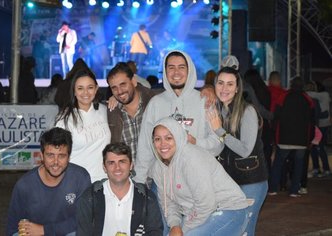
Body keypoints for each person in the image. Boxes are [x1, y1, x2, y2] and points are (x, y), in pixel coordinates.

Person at [150, 117, 249, 235]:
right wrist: (174, 225)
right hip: (200, 215)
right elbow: (169, 203)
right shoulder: (158, 168)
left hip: (230, 210)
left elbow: (206, 204)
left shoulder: (191, 158)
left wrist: (183, 229)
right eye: (157, 139)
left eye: (169, 138)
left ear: (178, 137)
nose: (162, 144)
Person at [134, 51, 221, 185]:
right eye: (171, 67)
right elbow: (145, 146)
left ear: (189, 70)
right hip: (164, 184)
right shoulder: (155, 103)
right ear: (165, 71)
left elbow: (218, 143)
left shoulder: (205, 101)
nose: (176, 72)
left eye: (181, 67)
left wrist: (196, 142)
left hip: (198, 181)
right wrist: (139, 181)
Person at [206, 62, 269, 236]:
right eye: (220, 83)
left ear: (237, 88)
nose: (224, 88)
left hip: (251, 181)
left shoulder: (247, 111)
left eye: (230, 84)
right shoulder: (217, 111)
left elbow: (245, 150)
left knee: (243, 230)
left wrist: (220, 131)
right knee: (232, 228)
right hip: (229, 182)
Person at [6, 127, 91, 236]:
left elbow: (85, 220)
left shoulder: (81, 178)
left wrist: (45, 230)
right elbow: (13, 227)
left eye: (61, 156)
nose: (56, 162)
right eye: (50, 155)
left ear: (69, 157)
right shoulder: (24, 185)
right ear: (41, 156)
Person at [76, 142, 163, 235]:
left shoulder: (147, 198)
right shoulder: (90, 198)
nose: (117, 168)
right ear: (104, 167)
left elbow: (155, 232)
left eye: (122, 162)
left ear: (131, 165)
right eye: (111, 163)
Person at [54, 70, 111, 183]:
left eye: (90, 87)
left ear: (96, 88)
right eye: (80, 88)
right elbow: (58, 153)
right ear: (74, 91)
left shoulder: (105, 111)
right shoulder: (64, 119)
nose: (85, 92)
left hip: (104, 181)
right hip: (76, 182)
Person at [269, 77, 315, 197]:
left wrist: (274, 134)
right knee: (299, 165)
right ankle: (294, 190)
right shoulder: (308, 99)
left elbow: (276, 116)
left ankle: (273, 189)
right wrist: (310, 138)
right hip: (301, 139)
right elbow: (312, 121)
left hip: (284, 137)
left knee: (278, 164)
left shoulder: (284, 96)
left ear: (291, 84)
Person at [107, 62, 160, 160]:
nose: (119, 91)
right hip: (127, 174)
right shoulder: (111, 112)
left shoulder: (155, 102)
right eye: (114, 88)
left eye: (123, 84)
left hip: (155, 172)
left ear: (134, 82)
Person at [305, 81, 331, 178]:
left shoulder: (323, 95)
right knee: (317, 148)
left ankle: (324, 169)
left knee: (319, 148)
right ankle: (320, 168)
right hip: (321, 125)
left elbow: (311, 94)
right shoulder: (320, 97)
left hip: (321, 125)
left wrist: (304, 91)